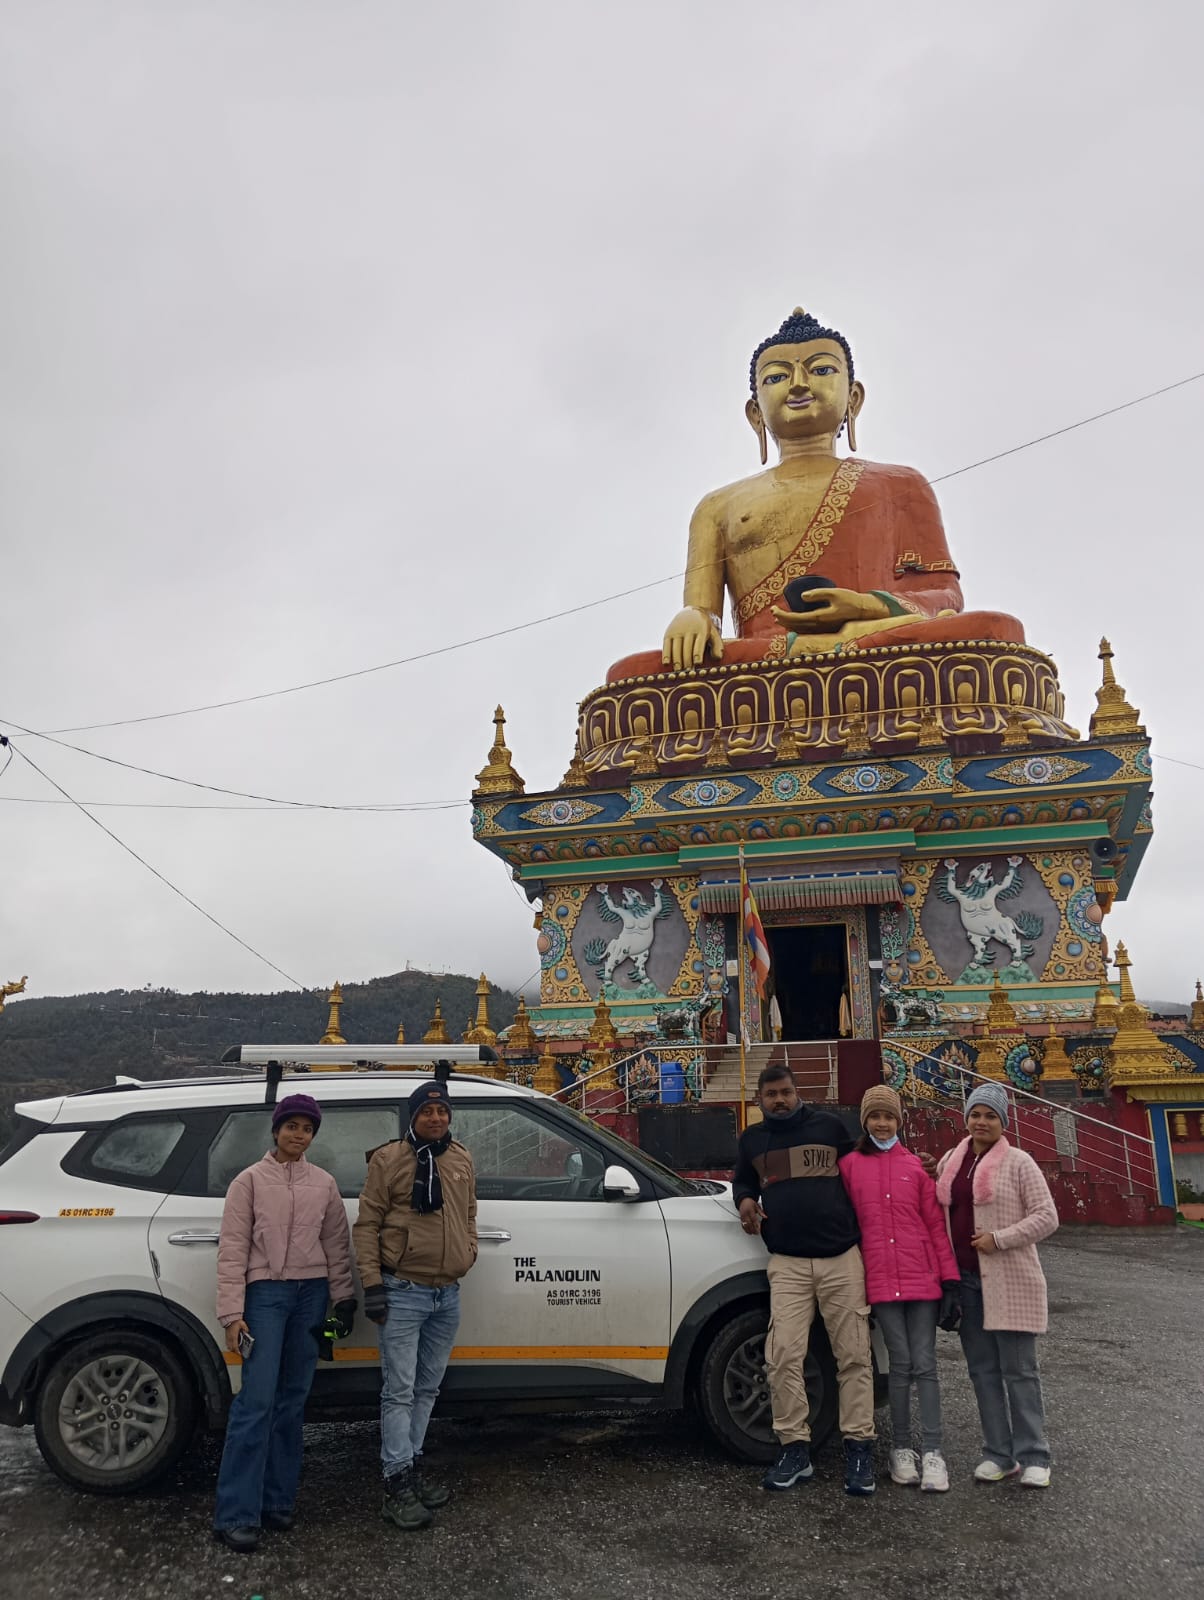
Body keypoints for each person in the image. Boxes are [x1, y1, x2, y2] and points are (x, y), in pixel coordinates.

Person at [213, 1093, 356, 1552]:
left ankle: (277, 1501)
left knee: (293, 1401)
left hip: (311, 1297)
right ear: (275, 1130)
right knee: (255, 1401)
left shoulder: (324, 1183)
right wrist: (232, 1314)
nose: (298, 1134)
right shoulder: (249, 1182)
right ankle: (237, 1512)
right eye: (291, 1126)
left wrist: (343, 1300)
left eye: (307, 1128)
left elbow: (336, 1245)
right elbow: (232, 1249)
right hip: (267, 1297)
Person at [732, 1063, 876, 1496]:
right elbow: (743, 1179)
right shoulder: (753, 1140)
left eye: (786, 1092)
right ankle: (795, 1446)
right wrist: (744, 1202)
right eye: (772, 1094)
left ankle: (858, 1448)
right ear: (760, 1099)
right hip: (788, 1264)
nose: (780, 1100)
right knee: (781, 1358)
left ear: (798, 1092)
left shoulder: (831, 1127)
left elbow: (866, 1170)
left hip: (840, 1258)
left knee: (853, 1356)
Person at [354, 1079, 478, 1531]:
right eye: (427, 1112)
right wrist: (372, 1284)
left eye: (443, 1111)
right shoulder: (389, 1161)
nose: (436, 1118)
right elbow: (367, 1224)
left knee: (428, 1388)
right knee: (399, 1390)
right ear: (413, 1116)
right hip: (403, 1291)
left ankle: (412, 1464)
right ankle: (395, 1483)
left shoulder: (460, 1157)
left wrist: (470, 1249)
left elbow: (469, 1214)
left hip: (447, 1293)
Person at [935, 1082, 1059, 1487]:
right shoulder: (953, 1160)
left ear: (1003, 1122)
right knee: (982, 1371)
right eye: (975, 1114)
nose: (981, 1122)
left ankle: (1034, 1454)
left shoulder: (1020, 1162)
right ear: (966, 1118)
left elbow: (1047, 1216)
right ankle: (998, 1453)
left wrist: (999, 1238)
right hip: (967, 1282)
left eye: (990, 1116)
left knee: (1020, 1370)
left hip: (1011, 1278)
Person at [839, 1085, 961, 1493]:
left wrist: (949, 1280)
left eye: (889, 1117)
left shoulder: (915, 1168)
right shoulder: (850, 1166)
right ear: (865, 1122)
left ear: (899, 1122)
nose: (882, 1123)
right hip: (880, 1278)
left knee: (925, 1364)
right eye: (875, 1117)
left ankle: (933, 1451)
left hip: (921, 1277)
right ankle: (902, 1448)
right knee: (900, 1364)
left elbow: (935, 1228)